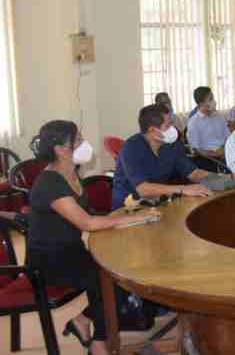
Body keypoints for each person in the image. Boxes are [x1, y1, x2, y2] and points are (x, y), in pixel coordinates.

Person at [27, 121, 155, 355]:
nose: (83, 143)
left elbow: (86, 215)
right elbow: (86, 223)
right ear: (59, 149)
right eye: (77, 140)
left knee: (120, 268)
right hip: (49, 261)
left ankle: (84, 322)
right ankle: (98, 343)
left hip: (72, 248)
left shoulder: (70, 171)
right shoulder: (50, 182)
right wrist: (137, 218)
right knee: (113, 278)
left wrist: (127, 215)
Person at [113, 104, 217, 209]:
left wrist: (224, 178)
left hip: (157, 204)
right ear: (152, 130)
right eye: (167, 126)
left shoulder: (171, 144)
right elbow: (143, 189)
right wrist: (183, 189)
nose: (173, 129)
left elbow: (193, 173)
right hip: (128, 208)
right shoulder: (131, 148)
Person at [186, 86, 229, 161]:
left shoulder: (218, 116)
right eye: (210, 99)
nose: (214, 101)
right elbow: (196, 150)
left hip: (226, 153)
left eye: (213, 98)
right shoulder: (194, 122)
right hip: (208, 159)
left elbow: (228, 137)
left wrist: (226, 150)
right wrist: (216, 154)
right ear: (201, 103)